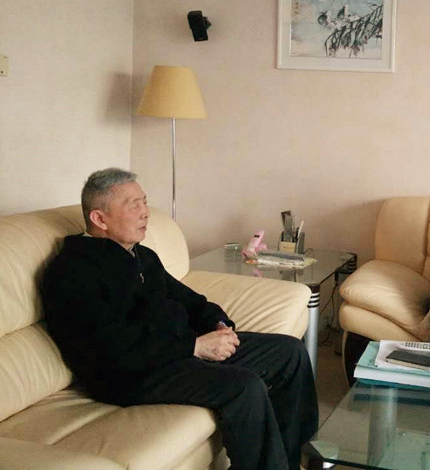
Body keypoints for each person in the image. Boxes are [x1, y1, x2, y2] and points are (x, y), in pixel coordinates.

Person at [41, 168, 318, 470]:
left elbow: (189, 300)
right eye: (133, 205)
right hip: (130, 374)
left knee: (289, 352)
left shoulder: (141, 255)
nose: (145, 213)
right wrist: (194, 346)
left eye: (145, 202)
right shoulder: (74, 271)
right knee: (244, 386)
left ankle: (291, 463)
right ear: (99, 219)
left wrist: (219, 325)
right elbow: (113, 345)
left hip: (175, 351)